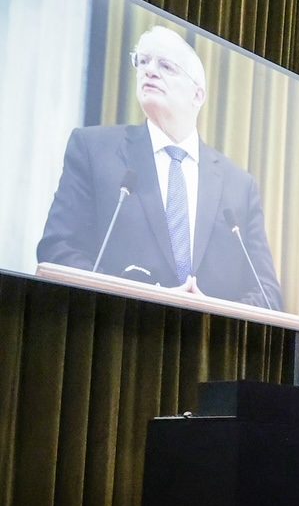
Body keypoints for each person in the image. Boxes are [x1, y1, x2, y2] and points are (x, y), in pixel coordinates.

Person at [36, 26, 283, 309]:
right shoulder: (93, 150)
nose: (150, 71)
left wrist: (212, 310)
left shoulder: (239, 186)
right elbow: (58, 250)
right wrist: (143, 298)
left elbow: (267, 295)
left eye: (166, 65)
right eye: (142, 61)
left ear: (197, 95)